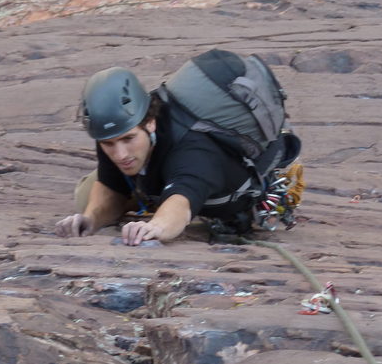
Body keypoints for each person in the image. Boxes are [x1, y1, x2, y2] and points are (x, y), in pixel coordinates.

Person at [54, 62, 296, 246]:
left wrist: (155, 228)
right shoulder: (118, 126)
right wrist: (90, 219)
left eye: (128, 139)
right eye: (108, 144)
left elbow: (180, 205)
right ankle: (146, 188)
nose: (119, 154)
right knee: (85, 196)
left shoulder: (193, 152)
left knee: (171, 194)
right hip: (163, 173)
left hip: (213, 183)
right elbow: (111, 184)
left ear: (150, 122)